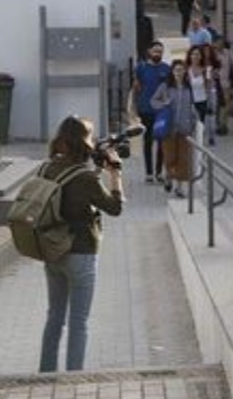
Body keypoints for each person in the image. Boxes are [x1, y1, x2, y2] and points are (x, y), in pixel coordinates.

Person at [39, 116, 125, 372]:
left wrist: (96, 171)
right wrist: (116, 175)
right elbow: (114, 208)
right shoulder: (85, 177)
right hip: (81, 254)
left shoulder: (46, 168)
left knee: (54, 317)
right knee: (79, 322)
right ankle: (72, 379)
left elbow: (71, 188)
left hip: (52, 251)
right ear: (84, 143)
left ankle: (45, 375)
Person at [151, 60, 198, 197]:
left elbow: (192, 106)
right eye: (177, 70)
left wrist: (194, 122)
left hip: (185, 127)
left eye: (182, 70)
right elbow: (153, 101)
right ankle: (169, 176)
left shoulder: (188, 88)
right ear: (172, 72)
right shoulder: (165, 87)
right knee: (170, 156)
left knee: (183, 158)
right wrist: (163, 103)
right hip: (169, 128)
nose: (179, 73)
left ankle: (180, 187)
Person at [132, 40, 171, 182]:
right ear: (149, 52)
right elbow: (136, 88)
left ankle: (159, 172)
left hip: (160, 111)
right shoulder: (141, 68)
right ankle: (149, 172)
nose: (157, 54)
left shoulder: (166, 69)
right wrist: (134, 108)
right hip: (145, 109)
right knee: (147, 141)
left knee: (161, 141)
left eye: (160, 51)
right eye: (155, 51)